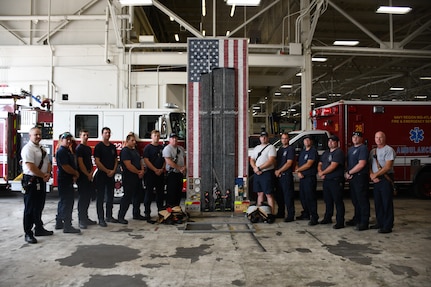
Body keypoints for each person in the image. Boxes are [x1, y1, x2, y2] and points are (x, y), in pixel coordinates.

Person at [20, 127, 53, 243]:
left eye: (39, 134)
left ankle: (39, 228)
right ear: (30, 136)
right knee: (29, 208)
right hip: (31, 180)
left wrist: (48, 173)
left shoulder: (41, 148)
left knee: (39, 206)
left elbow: (48, 162)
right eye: (36, 135)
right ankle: (28, 233)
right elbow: (30, 166)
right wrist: (43, 175)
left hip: (41, 179)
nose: (38, 136)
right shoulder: (27, 149)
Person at [369, 131, 396, 234]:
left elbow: (388, 166)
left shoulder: (389, 150)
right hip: (376, 180)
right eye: (376, 137)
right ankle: (379, 223)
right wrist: (372, 175)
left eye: (380, 137)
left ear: (384, 138)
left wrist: (376, 175)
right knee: (378, 203)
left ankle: (388, 226)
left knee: (387, 203)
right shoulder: (373, 151)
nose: (378, 139)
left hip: (386, 179)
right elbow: (369, 165)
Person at [55, 132, 81, 234]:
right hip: (64, 180)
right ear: (61, 140)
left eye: (70, 139)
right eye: (66, 139)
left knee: (63, 201)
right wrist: (75, 173)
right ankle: (67, 226)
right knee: (67, 202)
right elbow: (65, 166)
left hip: (66, 179)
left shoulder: (67, 151)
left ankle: (59, 222)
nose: (69, 141)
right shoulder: (62, 151)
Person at [318, 135, 345, 229]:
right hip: (327, 180)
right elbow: (320, 163)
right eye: (329, 141)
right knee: (328, 201)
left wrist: (322, 172)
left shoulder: (339, 152)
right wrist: (320, 171)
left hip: (336, 180)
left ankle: (340, 221)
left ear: (337, 142)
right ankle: (327, 218)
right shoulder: (326, 153)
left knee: (338, 201)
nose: (330, 143)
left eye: (333, 141)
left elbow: (333, 166)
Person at [345, 131, 370, 231]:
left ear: (361, 139)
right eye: (353, 136)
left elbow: (362, 164)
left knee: (362, 200)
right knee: (355, 200)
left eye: (357, 137)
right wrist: (347, 172)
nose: (355, 138)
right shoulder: (351, 149)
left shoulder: (363, 148)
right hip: (353, 178)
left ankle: (364, 222)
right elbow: (348, 162)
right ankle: (357, 219)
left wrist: (350, 172)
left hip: (360, 177)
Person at [117, 133, 145, 224]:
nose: (134, 142)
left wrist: (141, 170)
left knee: (138, 196)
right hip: (129, 177)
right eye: (132, 140)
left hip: (137, 177)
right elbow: (128, 165)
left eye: (135, 141)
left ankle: (136, 214)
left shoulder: (134, 151)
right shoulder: (125, 151)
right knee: (127, 197)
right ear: (127, 141)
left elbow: (140, 161)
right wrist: (138, 172)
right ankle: (121, 217)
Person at [249, 131, 277, 223]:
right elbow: (252, 159)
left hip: (266, 173)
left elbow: (271, 161)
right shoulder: (256, 148)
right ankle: (260, 213)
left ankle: (271, 214)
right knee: (259, 194)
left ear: (268, 138)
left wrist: (259, 168)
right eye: (262, 137)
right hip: (257, 173)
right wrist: (255, 168)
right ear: (259, 138)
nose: (263, 138)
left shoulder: (271, 147)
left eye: (265, 137)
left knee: (269, 194)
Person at [94, 127, 119, 227]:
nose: (107, 134)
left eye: (109, 133)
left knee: (110, 196)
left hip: (111, 175)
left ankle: (109, 216)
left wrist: (113, 170)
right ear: (102, 134)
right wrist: (107, 170)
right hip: (101, 175)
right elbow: (97, 161)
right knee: (100, 197)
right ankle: (101, 218)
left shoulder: (112, 147)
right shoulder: (98, 147)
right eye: (105, 133)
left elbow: (116, 160)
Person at [295, 135, 319, 226]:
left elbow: (309, 164)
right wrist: (299, 172)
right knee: (303, 197)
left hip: (310, 178)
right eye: (305, 140)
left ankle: (314, 217)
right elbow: (297, 163)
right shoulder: (303, 151)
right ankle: (306, 213)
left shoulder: (313, 152)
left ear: (311, 142)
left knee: (311, 198)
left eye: (308, 140)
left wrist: (298, 170)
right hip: (302, 178)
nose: (306, 141)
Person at [75, 129, 97, 229]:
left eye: (87, 135)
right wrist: (87, 174)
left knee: (87, 198)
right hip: (82, 177)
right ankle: (81, 220)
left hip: (88, 176)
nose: (86, 137)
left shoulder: (88, 148)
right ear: (80, 136)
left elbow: (90, 162)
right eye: (84, 135)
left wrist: (91, 172)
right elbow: (80, 163)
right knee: (82, 199)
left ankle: (86, 218)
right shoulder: (79, 148)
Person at [143, 130, 166, 222]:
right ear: (151, 137)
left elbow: (165, 159)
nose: (156, 137)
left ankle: (161, 212)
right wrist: (155, 169)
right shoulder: (147, 148)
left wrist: (161, 169)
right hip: (150, 174)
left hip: (160, 174)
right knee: (149, 193)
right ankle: (147, 213)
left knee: (160, 194)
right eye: (155, 135)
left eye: (158, 135)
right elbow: (146, 160)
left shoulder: (162, 148)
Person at [274, 132, 295, 222]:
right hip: (279, 176)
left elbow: (289, 163)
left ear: (288, 139)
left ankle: (290, 215)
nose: (284, 140)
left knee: (288, 196)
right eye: (283, 138)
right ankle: (281, 212)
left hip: (286, 175)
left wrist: (279, 171)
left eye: (286, 138)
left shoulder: (290, 149)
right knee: (279, 196)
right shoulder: (280, 150)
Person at [163, 133, 186, 207]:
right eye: (172, 138)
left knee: (178, 192)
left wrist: (184, 167)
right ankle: (170, 211)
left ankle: (176, 209)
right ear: (169, 139)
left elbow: (185, 158)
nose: (175, 139)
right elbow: (169, 162)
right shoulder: (167, 149)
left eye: (176, 138)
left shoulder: (181, 148)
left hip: (180, 174)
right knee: (171, 193)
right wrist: (180, 168)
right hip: (171, 174)